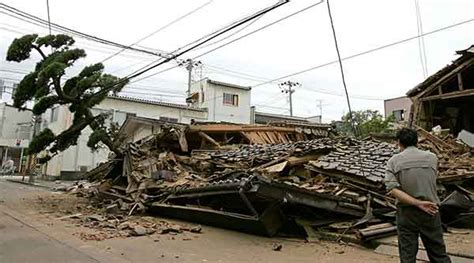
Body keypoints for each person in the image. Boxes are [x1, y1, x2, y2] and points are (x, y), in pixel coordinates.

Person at [385, 128, 451, 263]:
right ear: (417, 141)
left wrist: (417, 203)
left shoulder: (393, 161)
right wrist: (423, 203)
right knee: (438, 253)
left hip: (407, 212)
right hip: (431, 210)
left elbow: (393, 190)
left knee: (407, 255)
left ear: (399, 142)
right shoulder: (432, 158)